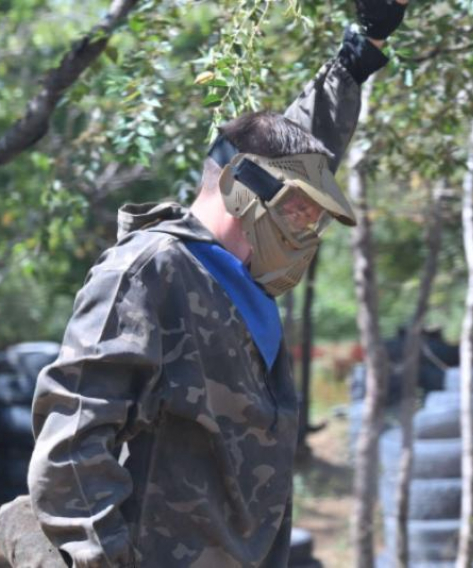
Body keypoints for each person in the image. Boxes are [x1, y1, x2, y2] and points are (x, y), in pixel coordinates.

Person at [24, 2, 409, 566]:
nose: (305, 231)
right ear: (239, 189)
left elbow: (289, 150)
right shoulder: (148, 273)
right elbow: (71, 453)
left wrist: (359, 51)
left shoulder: (234, 282)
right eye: (298, 212)